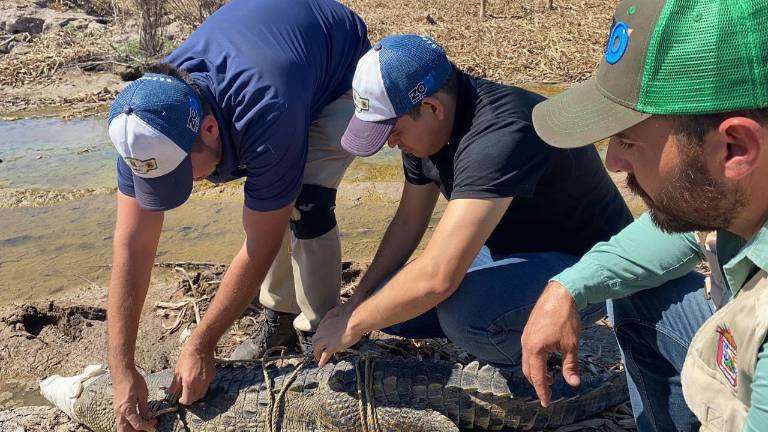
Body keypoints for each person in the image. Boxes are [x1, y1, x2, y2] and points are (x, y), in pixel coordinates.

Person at [105, 0, 369, 430]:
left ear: (210, 127)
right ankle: (279, 315)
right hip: (266, 47)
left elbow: (259, 241)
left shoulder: (266, 108)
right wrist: (122, 368)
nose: (182, 188)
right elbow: (131, 246)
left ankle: (323, 332)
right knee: (275, 199)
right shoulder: (144, 126)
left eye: (182, 172)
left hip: (337, 62)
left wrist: (202, 341)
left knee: (304, 200)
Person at [311, 34, 633, 370]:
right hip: (521, 248)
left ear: (431, 107)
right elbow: (408, 221)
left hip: (594, 262)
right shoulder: (427, 131)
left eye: (392, 133)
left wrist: (352, 325)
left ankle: (544, 383)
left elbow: (439, 278)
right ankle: (511, 328)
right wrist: (358, 302)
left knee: (464, 313)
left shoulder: (500, 134)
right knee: (389, 304)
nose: (391, 145)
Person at [521, 0, 768, 431]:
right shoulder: (748, 187)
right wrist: (566, 287)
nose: (612, 161)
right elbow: (682, 229)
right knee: (634, 295)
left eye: (628, 141)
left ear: (735, 148)